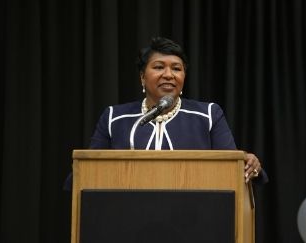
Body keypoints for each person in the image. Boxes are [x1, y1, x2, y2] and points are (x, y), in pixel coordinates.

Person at [89, 36, 266, 183]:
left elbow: (231, 169)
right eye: (159, 67)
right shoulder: (115, 118)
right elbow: (89, 172)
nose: (168, 74)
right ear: (142, 77)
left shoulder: (208, 116)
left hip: (193, 216)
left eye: (176, 69)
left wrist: (249, 164)